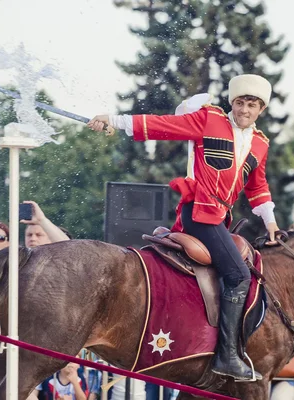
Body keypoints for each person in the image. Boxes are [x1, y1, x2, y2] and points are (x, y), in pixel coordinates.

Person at [88, 74, 279, 380]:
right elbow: (163, 126)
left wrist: (271, 223)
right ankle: (227, 356)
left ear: (261, 109)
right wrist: (114, 120)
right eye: (240, 102)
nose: (245, 109)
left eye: (252, 104)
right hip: (198, 212)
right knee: (239, 275)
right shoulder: (210, 119)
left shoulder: (260, 143)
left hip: (220, 217)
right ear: (233, 103)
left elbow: (258, 187)